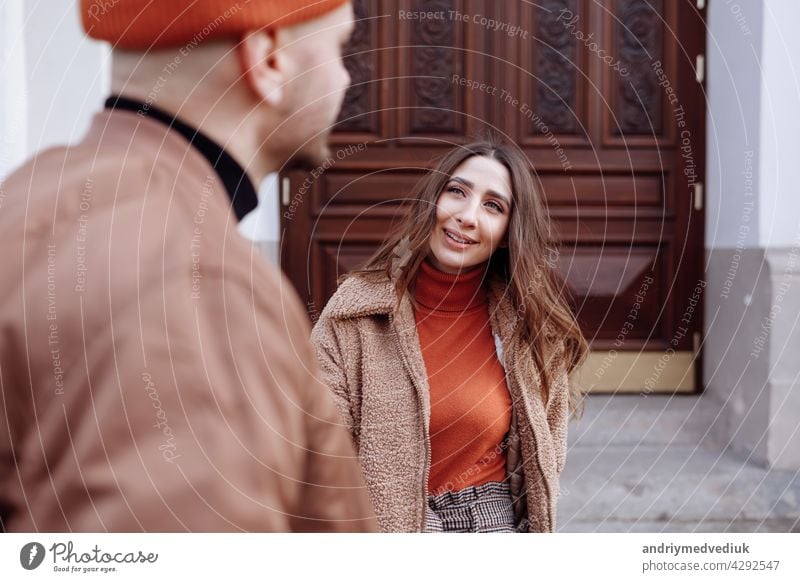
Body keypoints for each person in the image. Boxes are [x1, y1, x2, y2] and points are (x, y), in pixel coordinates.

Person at [0, 0, 377, 532]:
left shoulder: (24, 198)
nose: (345, 78)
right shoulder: (196, 279)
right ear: (268, 59)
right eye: (341, 47)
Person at [311, 137, 588, 532]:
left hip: (490, 522)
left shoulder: (532, 327)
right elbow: (318, 444)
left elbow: (546, 459)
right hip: (382, 521)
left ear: (510, 231)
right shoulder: (355, 312)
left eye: (493, 206)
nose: (467, 216)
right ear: (433, 201)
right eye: (457, 192)